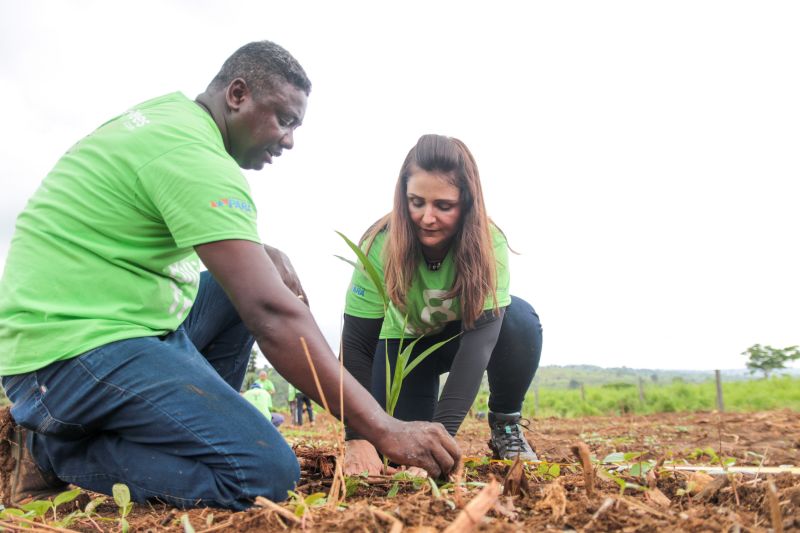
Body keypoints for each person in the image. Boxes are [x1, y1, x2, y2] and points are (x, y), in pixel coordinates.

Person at [0, 41, 459, 510]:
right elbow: (271, 314)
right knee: (262, 475)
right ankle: (50, 454)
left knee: (241, 284)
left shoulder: (170, 121)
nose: (289, 140)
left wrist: (261, 252)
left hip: (115, 321)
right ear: (237, 95)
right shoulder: (194, 156)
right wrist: (382, 427)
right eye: (284, 119)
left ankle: (185, 437)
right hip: (64, 355)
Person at [341, 134, 543, 476]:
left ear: (466, 202)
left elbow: (478, 347)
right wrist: (357, 437)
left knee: (518, 318)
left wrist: (441, 443)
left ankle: (505, 422)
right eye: (416, 202)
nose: (427, 217)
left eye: (443, 206)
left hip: (461, 340)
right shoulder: (380, 243)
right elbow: (358, 345)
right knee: (398, 456)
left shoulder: (489, 243)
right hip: (402, 347)